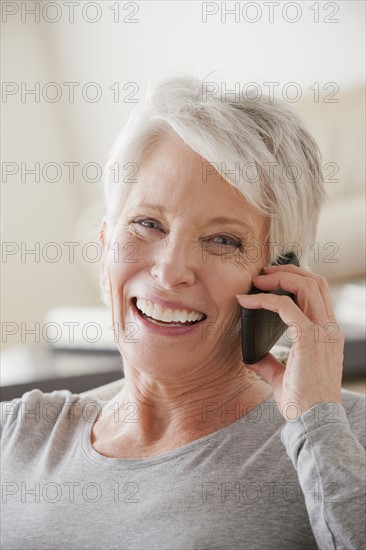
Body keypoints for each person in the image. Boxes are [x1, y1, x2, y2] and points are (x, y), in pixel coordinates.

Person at [1, 75, 365, 550]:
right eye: (148, 223)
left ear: (279, 278)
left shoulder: (341, 437)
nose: (171, 271)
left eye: (223, 240)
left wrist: (314, 420)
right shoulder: (19, 432)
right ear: (106, 241)